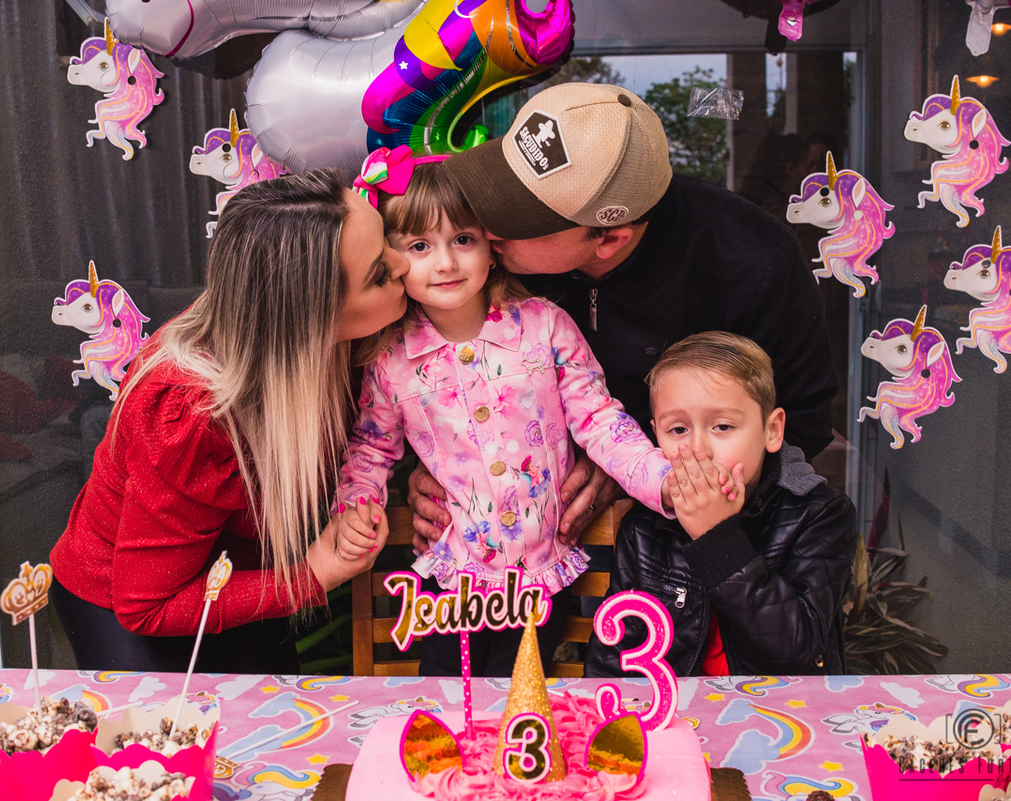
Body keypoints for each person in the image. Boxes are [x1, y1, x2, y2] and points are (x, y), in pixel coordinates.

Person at [409, 83, 839, 549]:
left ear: (609, 239)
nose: (484, 224)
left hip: (679, 551)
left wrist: (636, 463)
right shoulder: (483, 258)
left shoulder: (753, 262)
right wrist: (442, 456)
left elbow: (802, 424)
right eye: (497, 186)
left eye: (516, 217)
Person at [331, 156, 680, 676]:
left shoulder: (546, 327)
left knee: (526, 702)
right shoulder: (390, 358)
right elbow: (372, 447)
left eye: (463, 240)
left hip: (543, 573)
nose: (445, 263)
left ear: (492, 247)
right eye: (420, 246)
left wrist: (665, 482)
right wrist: (356, 508)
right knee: (453, 705)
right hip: (452, 578)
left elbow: (601, 421)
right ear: (393, 259)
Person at [49, 171, 410, 672]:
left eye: (389, 244)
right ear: (311, 321)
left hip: (239, 565)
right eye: (378, 274)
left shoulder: (330, 338)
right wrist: (312, 575)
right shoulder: (189, 414)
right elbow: (148, 605)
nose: (406, 264)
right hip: (129, 600)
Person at [585, 332, 857, 676]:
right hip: (677, 719)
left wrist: (716, 537)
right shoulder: (645, 528)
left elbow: (797, 653)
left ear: (772, 431)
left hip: (783, 714)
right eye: (678, 430)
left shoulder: (819, 516)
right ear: (655, 436)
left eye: (723, 426)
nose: (699, 450)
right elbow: (612, 662)